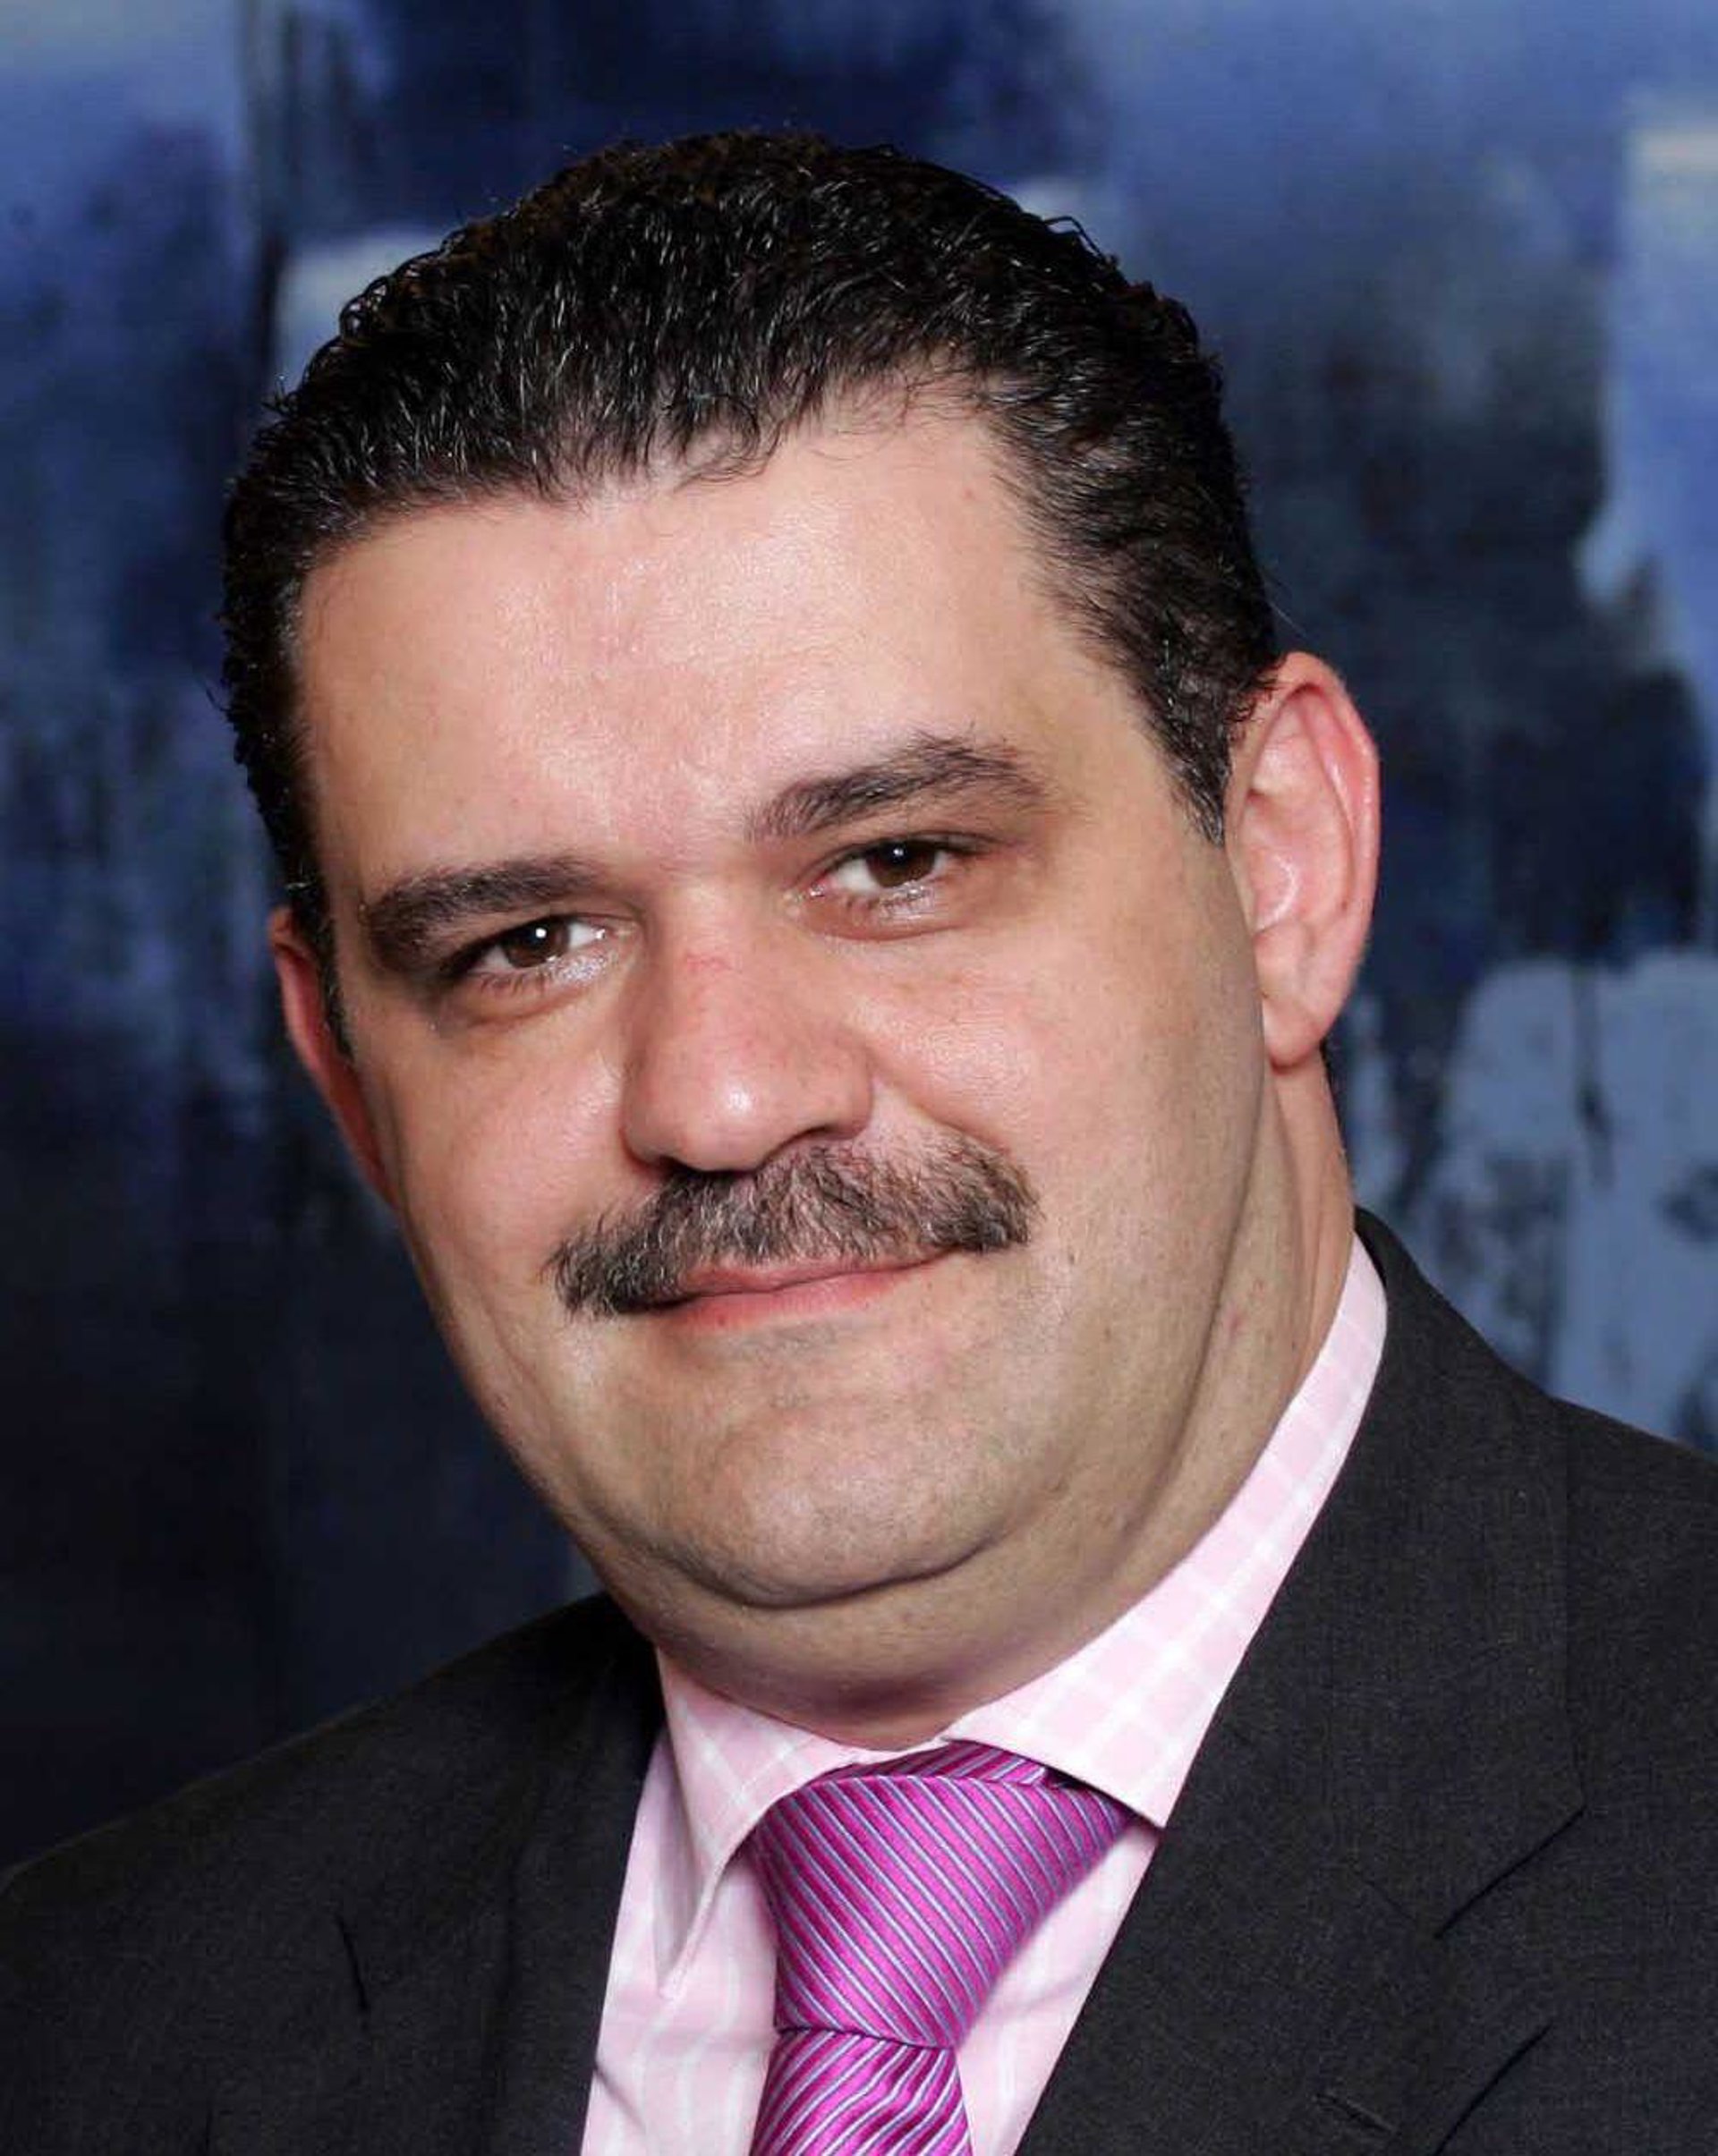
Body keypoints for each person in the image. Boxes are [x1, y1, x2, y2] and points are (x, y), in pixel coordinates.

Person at [3, 131, 1714, 2156]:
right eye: (526, 944)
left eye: (897, 860)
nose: (723, 1097)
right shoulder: (84, 2034)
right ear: (351, 1074)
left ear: (1281, 867)